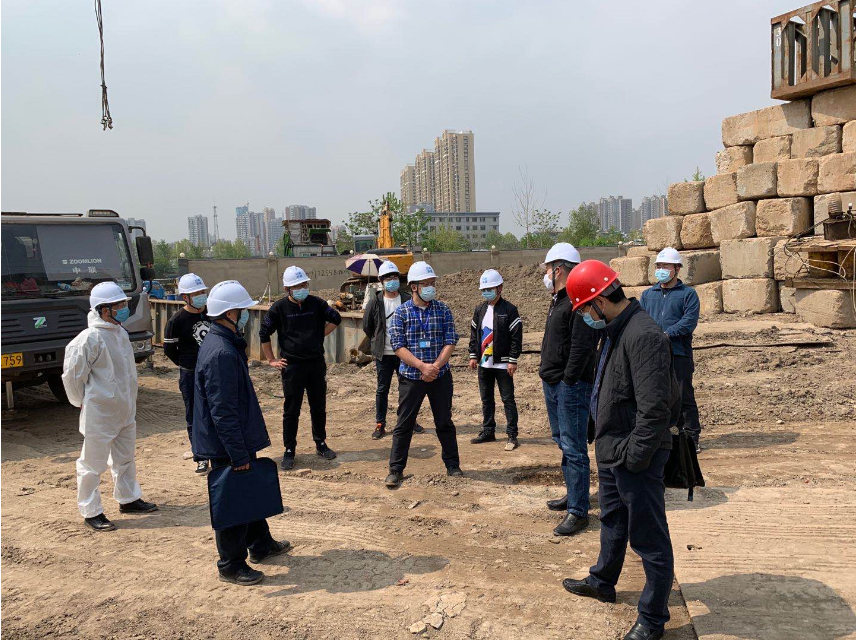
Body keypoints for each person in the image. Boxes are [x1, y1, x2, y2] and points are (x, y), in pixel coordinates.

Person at [562, 260, 678, 640]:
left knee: (649, 538)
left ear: (599, 302)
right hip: (614, 450)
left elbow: (655, 410)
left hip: (635, 457)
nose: (584, 318)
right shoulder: (616, 330)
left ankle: (653, 620)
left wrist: (633, 459)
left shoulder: (644, 335)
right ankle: (603, 582)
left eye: (584, 311)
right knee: (613, 521)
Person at [193, 280, 290, 585]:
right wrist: (237, 454)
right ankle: (231, 565)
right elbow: (223, 411)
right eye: (243, 310)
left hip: (236, 438)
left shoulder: (224, 342)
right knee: (233, 501)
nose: (247, 315)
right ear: (231, 313)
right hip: (228, 443)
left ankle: (260, 543)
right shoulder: (220, 353)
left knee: (249, 491)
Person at [62, 281, 158, 531]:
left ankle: (128, 498)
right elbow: (72, 377)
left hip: (124, 409)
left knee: (125, 458)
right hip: (100, 413)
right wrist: (81, 402)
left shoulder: (119, 332)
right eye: (119, 305)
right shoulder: (88, 339)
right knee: (92, 464)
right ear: (104, 309)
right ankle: (91, 510)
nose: (124, 309)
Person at [539, 243, 599, 537]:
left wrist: (568, 381)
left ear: (558, 269)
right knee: (563, 441)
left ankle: (578, 511)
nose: (546, 274)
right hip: (554, 383)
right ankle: (574, 494)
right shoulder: (558, 300)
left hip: (570, 387)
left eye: (548, 269)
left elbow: (582, 347)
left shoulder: (578, 301)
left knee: (574, 448)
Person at [385, 261, 461, 488]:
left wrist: (434, 367)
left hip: (440, 376)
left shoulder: (443, 310)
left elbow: (450, 341)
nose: (431, 287)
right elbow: (398, 347)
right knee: (404, 424)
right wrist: (422, 367)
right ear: (414, 287)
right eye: (426, 283)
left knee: (444, 421)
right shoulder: (401, 313)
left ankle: (453, 465)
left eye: (432, 283)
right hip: (411, 377)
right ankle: (395, 470)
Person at [260, 266, 341, 470]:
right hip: (292, 367)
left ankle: (320, 443)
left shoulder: (317, 303)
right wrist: (271, 360)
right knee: (291, 410)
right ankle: (289, 449)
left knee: (318, 406)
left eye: (304, 284)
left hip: (315, 364)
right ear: (287, 289)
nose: (302, 289)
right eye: (297, 286)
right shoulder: (278, 308)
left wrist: (319, 335)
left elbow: (336, 318)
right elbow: (264, 333)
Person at [639, 247, 702, 453]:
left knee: (683, 396)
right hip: (654, 355)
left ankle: (691, 437)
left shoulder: (688, 295)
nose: (661, 270)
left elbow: (689, 322)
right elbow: (641, 321)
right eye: (658, 266)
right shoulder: (648, 295)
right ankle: (663, 436)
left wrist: (667, 334)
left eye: (665, 266)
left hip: (679, 353)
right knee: (656, 396)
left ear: (677, 269)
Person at [362, 261, 425, 440]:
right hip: (384, 354)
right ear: (381, 281)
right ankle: (380, 423)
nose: (392, 280)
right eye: (388, 278)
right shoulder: (375, 302)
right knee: (382, 389)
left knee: (407, 389)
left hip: (405, 353)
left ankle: (408, 420)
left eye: (395, 277)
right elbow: (368, 327)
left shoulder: (407, 299)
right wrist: (379, 341)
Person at [468, 268, 522, 451]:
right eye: (484, 290)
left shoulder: (510, 310)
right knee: (486, 399)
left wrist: (512, 359)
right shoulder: (480, 310)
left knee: (508, 399)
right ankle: (488, 431)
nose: (486, 292)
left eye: (489, 289)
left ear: (500, 288)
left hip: (503, 364)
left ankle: (512, 435)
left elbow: (516, 337)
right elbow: (474, 334)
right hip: (484, 363)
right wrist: (473, 355)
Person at [163, 273, 212, 473]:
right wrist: (186, 364)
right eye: (196, 293)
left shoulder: (212, 313)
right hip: (190, 374)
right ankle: (201, 456)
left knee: (216, 412)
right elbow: (169, 350)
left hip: (212, 373)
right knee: (194, 415)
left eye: (203, 292)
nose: (201, 296)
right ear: (185, 297)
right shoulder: (177, 320)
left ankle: (219, 453)